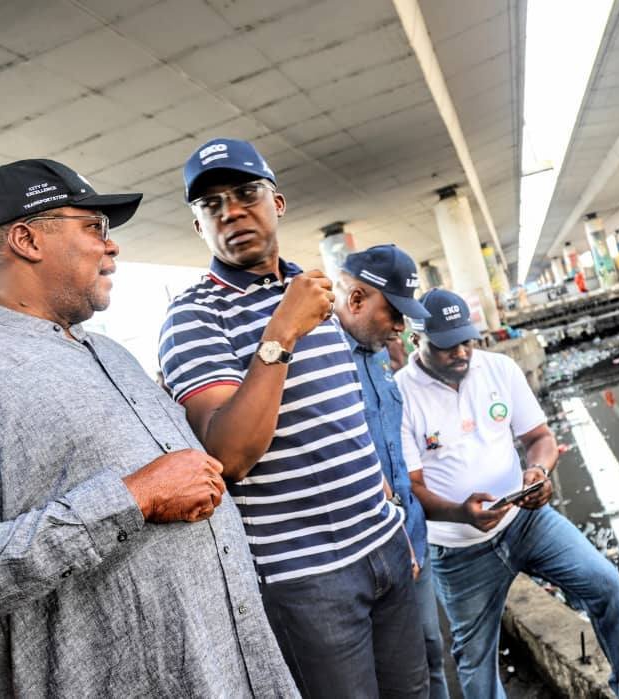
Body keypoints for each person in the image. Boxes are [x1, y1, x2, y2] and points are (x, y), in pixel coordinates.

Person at [0, 159, 297, 697]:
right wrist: (132, 498)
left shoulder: (111, 352)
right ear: (28, 239)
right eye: (94, 227)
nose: (113, 246)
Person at [159, 139, 427, 698]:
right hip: (307, 583)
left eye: (246, 194)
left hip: (384, 548)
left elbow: (341, 417)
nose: (231, 211)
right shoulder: (192, 316)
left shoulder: (313, 288)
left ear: (276, 203)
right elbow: (229, 457)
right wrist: (279, 332)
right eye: (211, 205)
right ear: (197, 228)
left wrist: (389, 515)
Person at [396, 289, 619, 699]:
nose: (462, 353)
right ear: (416, 341)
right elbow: (411, 487)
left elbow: (540, 438)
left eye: (467, 340)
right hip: (459, 552)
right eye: (447, 347)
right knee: (475, 658)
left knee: (605, 585)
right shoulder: (401, 395)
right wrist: (462, 514)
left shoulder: (498, 368)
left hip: (527, 521)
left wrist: (537, 472)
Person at [333, 245, 449, 699]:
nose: (401, 327)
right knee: (390, 674)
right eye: (394, 313)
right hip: (373, 546)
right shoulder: (321, 360)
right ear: (357, 300)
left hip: (410, 538)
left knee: (429, 652)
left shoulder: (378, 353)